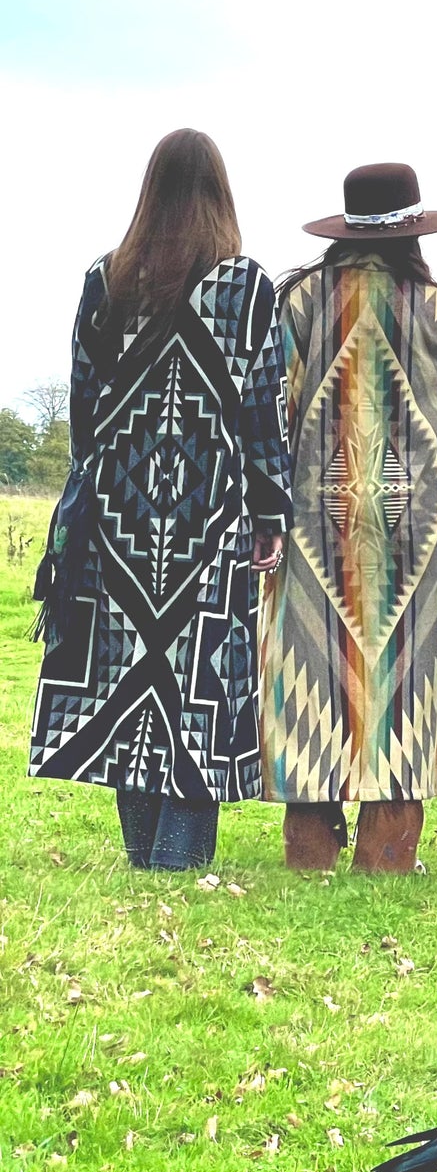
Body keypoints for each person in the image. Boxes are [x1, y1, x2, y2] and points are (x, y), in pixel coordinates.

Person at [29, 128, 292, 871]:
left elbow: (84, 408)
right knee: (195, 682)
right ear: (220, 193)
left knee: (125, 677)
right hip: (210, 521)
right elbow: (262, 413)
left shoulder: (105, 279)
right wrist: (270, 516)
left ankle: (146, 851)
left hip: (117, 518)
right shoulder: (246, 287)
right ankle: (177, 857)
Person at [260, 163, 437, 873]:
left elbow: (262, 399)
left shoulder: (300, 301)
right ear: (413, 232)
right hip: (421, 535)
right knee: (408, 681)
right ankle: (387, 851)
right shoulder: (433, 305)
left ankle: (308, 845)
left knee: (310, 670)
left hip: (311, 529)